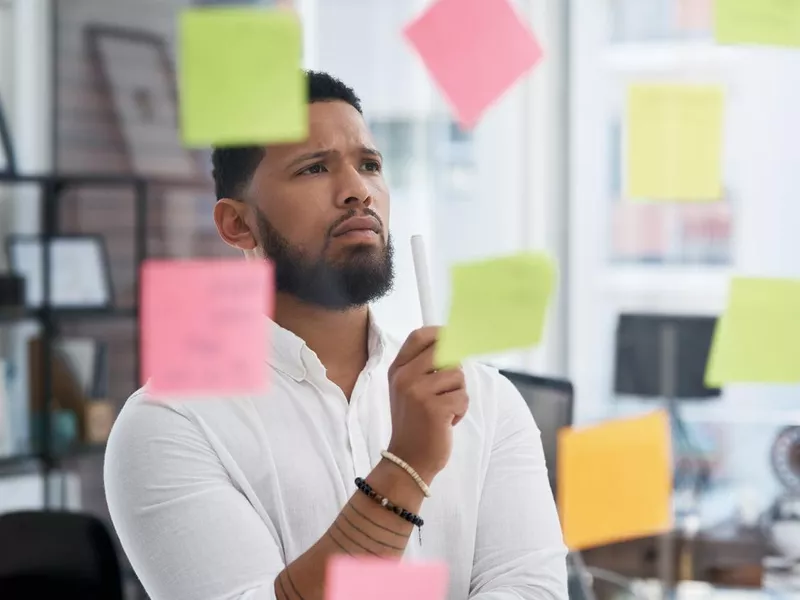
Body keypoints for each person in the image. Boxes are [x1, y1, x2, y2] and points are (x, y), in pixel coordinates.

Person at [105, 70, 567, 600]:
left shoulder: (485, 400)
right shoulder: (171, 424)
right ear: (238, 225)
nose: (357, 192)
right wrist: (407, 466)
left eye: (370, 165)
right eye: (314, 168)